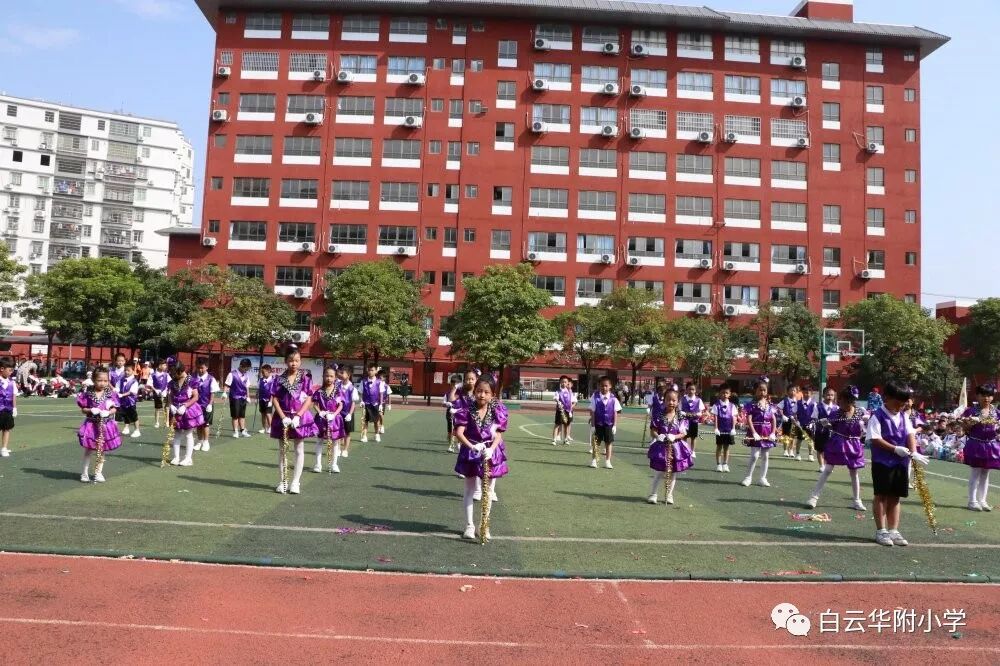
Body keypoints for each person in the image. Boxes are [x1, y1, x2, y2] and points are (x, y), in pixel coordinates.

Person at [867, 381, 930, 547]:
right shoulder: (877, 416)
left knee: (895, 496)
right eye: (898, 402)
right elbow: (875, 439)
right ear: (886, 398)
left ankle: (893, 530)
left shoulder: (903, 416)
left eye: (903, 403)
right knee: (881, 495)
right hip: (882, 462)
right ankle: (881, 531)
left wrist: (914, 452)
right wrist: (894, 449)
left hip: (901, 462)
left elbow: (910, 434)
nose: (901, 406)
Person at [453, 376, 509, 541]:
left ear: (492, 394)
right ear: (474, 392)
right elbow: (459, 433)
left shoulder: (497, 410)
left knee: (489, 491)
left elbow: (498, 434)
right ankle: (469, 525)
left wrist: (491, 449)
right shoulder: (466, 409)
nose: (482, 395)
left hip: (491, 453)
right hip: (471, 451)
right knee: (469, 489)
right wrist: (472, 447)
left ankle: (484, 525)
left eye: (486, 392)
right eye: (479, 391)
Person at [806, 386, 867, 511]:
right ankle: (813, 497)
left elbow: (865, 428)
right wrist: (825, 424)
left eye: (842, 401)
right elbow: (831, 426)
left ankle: (857, 501)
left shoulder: (861, 413)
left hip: (854, 445)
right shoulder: (836, 413)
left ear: (850, 401)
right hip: (838, 444)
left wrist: (866, 422)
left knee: (854, 472)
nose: (839, 403)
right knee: (827, 469)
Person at [270, 348, 318, 494]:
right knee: (283, 450)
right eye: (291, 360)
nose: (294, 363)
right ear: (286, 361)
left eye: (297, 361)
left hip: (299, 418)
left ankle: (296, 482)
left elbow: (309, 398)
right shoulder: (279, 379)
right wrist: (283, 417)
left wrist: (298, 416)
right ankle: (283, 481)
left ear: (300, 361)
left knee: (299, 448)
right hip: (283, 417)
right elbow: (275, 398)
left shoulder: (305, 378)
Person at [646, 386, 691, 504]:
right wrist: (658, 436)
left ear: (678, 402)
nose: (671, 402)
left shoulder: (681, 416)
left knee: (673, 473)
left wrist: (674, 437)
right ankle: (653, 494)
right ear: (664, 400)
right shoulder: (659, 415)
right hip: (662, 447)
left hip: (676, 448)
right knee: (659, 472)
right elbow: (653, 430)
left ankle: (669, 495)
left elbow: (683, 433)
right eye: (668, 400)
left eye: (674, 400)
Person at [76, 367, 121, 483]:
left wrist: (109, 412)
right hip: (91, 425)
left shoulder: (110, 394)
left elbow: (115, 408)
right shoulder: (88, 393)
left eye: (105, 381)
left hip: (105, 425)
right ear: (93, 380)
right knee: (88, 450)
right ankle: (84, 473)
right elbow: (83, 409)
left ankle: (98, 472)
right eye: (99, 380)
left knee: (101, 450)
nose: (102, 383)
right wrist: (91, 410)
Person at [960, 384, 999, 511]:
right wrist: (970, 423)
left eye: (989, 395)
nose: (986, 398)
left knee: (986, 473)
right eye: (983, 395)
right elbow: (963, 427)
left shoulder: (996, 412)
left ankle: (983, 501)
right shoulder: (971, 411)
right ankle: (972, 501)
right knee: (975, 472)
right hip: (976, 444)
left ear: (992, 397)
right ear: (977, 396)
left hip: (991, 445)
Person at [741, 379, 778, 487]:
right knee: (754, 456)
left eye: (764, 390)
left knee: (765, 456)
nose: (762, 392)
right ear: (755, 391)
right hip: (756, 431)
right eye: (760, 390)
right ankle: (748, 477)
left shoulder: (770, 405)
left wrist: (773, 433)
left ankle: (763, 478)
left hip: (767, 432)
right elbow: (749, 419)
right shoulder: (752, 404)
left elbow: (773, 419)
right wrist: (753, 433)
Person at [167, 362, 204, 466]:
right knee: (177, 434)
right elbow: (170, 395)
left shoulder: (192, 381)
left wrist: (185, 406)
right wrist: (171, 405)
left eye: (174, 373)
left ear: (180, 371)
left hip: (188, 411)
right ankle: (176, 457)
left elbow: (195, 397)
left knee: (188, 434)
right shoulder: (172, 382)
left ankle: (188, 458)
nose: (173, 375)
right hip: (176, 410)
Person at [312, 365, 346, 473]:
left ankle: (334, 464)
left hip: (335, 420)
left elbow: (340, 405)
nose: (329, 378)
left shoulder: (338, 391)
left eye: (331, 376)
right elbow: (315, 404)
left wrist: (334, 414)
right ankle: (318, 464)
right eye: (327, 376)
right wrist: (320, 412)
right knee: (319, 441)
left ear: (335, 377)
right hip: (322, 419)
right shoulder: (319, 391)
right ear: (323, 376)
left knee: (335, 442)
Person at [589, 376, 622, 469]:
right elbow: (593, 412)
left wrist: (615, 425)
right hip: (598, 424)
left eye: (606, 386)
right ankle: (594, 460)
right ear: (599, 386)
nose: (604, 388)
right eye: (602, 386)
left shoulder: (613, 398)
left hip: (609, 425)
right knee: (596, 443)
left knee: (608, 443)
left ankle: (608, 461)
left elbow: (615, 412)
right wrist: (593, 425)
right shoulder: (595, 397)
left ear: (610, 386)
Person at [193, 358, 220, 452]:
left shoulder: (211, 379)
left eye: (202, 368)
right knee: (198, 424)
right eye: (198, 368)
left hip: (206, 405)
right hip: (196, 405)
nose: (200, 370)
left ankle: (206, 442)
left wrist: (210, 404)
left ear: (206, 367)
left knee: (205, 424)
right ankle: (199, 441)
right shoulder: (193, 377)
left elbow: (212, 392)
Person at [224, 358, 254, 438]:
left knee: (242, 415)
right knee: (235, 416)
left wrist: (248, 397)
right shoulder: (232, 374)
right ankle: (235, 432)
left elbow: (247, 387)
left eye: (248, 368)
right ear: (241, 366)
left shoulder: (246, 375)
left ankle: (243, 431)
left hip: (243, 398)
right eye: (245, 368)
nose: (246, 370)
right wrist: (224, 393)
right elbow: (227, 384)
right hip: (235, 397)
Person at [810, 386, 839, 469]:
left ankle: (827, 465)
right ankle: (821, 465)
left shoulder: (837, 408)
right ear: (823, 395)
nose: (830, 397)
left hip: (832, 433)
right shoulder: (818, 407)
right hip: (820, 432)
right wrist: (821, 423)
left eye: (832, 395)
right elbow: (814, 418)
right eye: (828, 395)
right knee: (820, 449)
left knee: (830, 450)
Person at [711, 384, 737, 473]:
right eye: (722, 393)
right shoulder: (716, 405)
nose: (724, 395)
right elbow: (715, 417)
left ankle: (725, 464)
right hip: (720, 429)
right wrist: (716, 428)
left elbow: (734, 417)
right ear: (719, 394)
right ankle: (718, 464)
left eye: (726, 393)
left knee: (726, 447)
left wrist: (733, 428)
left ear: (729, 394)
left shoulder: (732, 405)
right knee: (719, 446)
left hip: (729, 429)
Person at [336, 365, 358, 458]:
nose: (340, 374)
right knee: (337, 431)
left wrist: (350, 414)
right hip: (338, 413)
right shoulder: (337, 386)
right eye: (340, 373)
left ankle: (345, 450)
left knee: (347, 432)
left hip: (347, 413)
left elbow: (353, 403)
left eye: (342, 373)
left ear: (348, 375)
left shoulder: (353, 388)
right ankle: (337, 449)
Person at [679, 382, 705, 461]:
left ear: (695, 390)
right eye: (689, 389)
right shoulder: (683, 399)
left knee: (693, 437)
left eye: (693, 389)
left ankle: (693, 451)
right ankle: (684, 450)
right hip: (684, 422)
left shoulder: (698, 400)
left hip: (694, 421)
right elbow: (679, 410)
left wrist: (696, 414)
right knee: (684, 436)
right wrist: (685, 413)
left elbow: (701, 412)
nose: (691, 391)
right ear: (686, 390)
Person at [116, 363, 142, 438]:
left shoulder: (134, 381)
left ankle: (137, 430)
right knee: (125, 415)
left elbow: (132, 392)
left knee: (134, 416)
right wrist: (116, 391)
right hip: (122, 401)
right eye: (125, 370)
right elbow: (117, 388)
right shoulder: (121, 380)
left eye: (128, 370)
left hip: (131, 402)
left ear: (133, 371)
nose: (126, 372)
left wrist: (122, 395)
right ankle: (126, 428)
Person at [551, 375, 577, 446]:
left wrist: (571, 409)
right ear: (560, 382)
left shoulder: (570, 392)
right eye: (562, 382)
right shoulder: (558, 391)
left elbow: (573, 401)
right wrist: (557, 401)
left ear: (567, 383)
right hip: (560, 411)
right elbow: (555, 398)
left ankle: (565, 439)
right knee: (557, 424)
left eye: (565, 382)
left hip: (567, 411)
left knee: (566, 425)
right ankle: (554, 439)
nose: (563, 383)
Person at [0, 358, 18, 458]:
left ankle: (4, 448)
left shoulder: (12, 382)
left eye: (12, 370)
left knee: (7, 428)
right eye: (9, 370)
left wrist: (14, 408)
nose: (11, 372)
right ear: (2, 369)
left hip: (8, 409)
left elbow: (13, 396)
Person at [795, 387, 816, 462]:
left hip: (810, 425)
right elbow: (794, 413)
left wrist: (813, 422)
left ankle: (810, 455)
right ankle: (797, 454)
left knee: (810, 440)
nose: (806, 394)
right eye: (804, 393)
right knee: (799, 439)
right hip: (800, 425)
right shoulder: (798, 403)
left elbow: (816, 415)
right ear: (802, 393)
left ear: (811, 393)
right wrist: (796, 421)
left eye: (808, 393)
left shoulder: (814, 404)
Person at [778, 384, 799, 459]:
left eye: (794, 390)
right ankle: (785, 450)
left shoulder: (798, 402)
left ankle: (791, 451)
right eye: (791, 390)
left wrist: (797, 418)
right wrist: (783, 415)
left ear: (796, 392)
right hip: (786, 420)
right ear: (787, 392)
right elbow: (779, 408)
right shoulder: (785, 400)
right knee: (785, 435)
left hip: (794, 421)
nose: (792, 392)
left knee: (793, 436)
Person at [443, 374, 463, 453]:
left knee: (459, 430)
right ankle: (451, 445)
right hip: (450, 414)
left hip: (459, 414)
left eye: (456, 384)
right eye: (453, 384)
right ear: (450, 384)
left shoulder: (461, 393)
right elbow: (443, 403)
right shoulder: (448, 393)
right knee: (450, 431)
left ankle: (458, 444)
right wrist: (446, 403)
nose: (454, 386)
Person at [150, 359, 171, 429]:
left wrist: (168, 390)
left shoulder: (166, 374)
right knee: (157, 408)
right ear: (159, 366)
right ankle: (157, 422)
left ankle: (167, 422)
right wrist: (155, 390)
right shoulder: (153, 375)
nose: (166, 366)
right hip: (157, 393)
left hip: (166, 393)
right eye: (164, 365)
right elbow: (150, 384)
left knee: (167, 408)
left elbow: (170, 383)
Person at [257, 364, 274, 435]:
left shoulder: (273, 380)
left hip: (268, 400)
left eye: (263, 372)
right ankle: (264, 428)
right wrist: (257, 397)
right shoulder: (261, 380)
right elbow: (258, 389)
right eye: (262, 372)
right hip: (261, 399)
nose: (262, 374)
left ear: (269, 371)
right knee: (263, 414)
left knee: (268, 414)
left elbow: (273, 392)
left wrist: (271, 401)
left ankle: (271, 428)